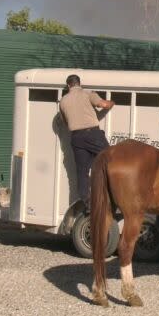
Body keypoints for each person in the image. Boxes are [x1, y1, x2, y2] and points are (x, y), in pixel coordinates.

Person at [58, 74, 114, 213]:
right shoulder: (88, 94)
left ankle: (88, 204)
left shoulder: (63, 101)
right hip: (92, 134)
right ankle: (113, 194)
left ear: (69, 85)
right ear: (79, 83)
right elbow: (104, 105)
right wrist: (112, 102)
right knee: (111, 160)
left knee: (82, 172)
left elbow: (66, 122)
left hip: (76, 137)